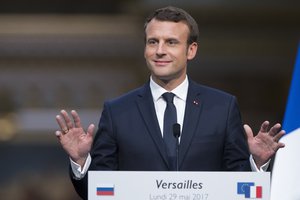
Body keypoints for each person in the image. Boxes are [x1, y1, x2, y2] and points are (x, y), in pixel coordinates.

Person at [55, 6, 285, 200]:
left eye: (171, 42)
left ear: (191, 50)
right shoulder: (117, 112)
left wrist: (256, 163)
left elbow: (238, 188)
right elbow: (99, 192)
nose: (160, 51)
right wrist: (81, 161)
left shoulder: (222, 108)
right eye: (153, 42)